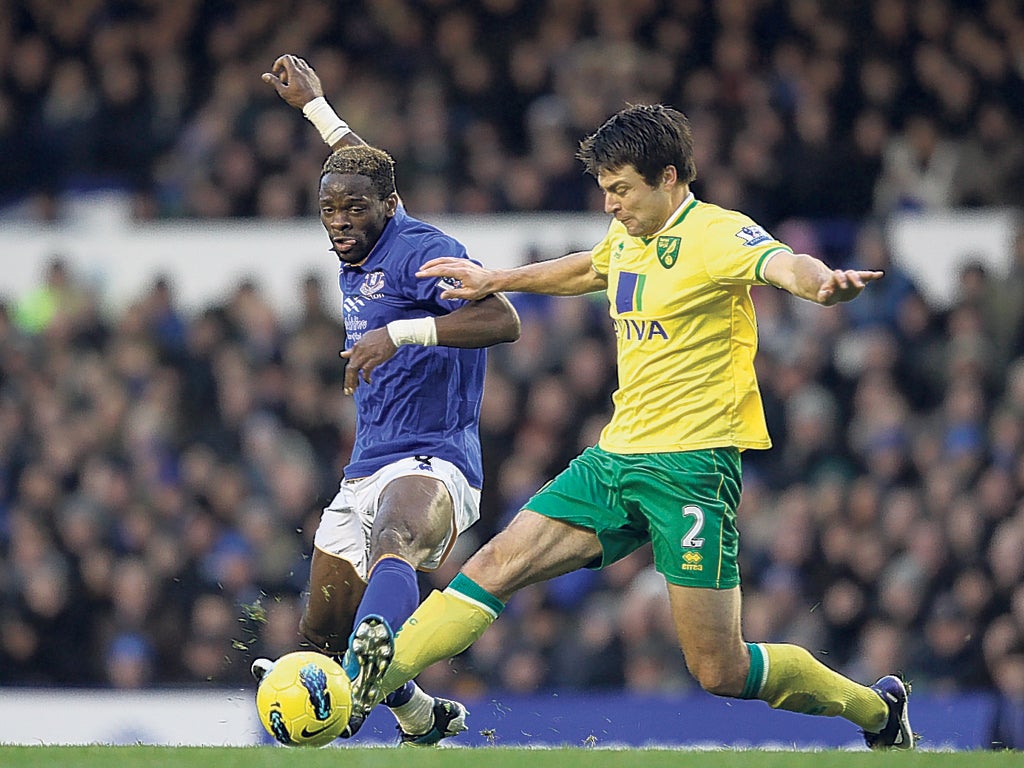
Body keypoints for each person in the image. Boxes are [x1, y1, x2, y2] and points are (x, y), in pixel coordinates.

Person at [349, 103, 916, 749]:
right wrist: (497, 277)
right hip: (615, 460)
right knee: (496, 562)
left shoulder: (718, 234)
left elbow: (783, 264)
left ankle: (876, 710)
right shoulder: (629, 238)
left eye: (621, 190)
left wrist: (822, 285)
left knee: (720, 669)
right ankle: (356, 687)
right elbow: (591, 267)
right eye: (605, 192)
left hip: (693, 472)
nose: (612, 205)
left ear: (668, 177)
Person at [251, 55, 520, 745]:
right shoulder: (362, 207)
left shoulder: (423, 252)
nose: (339, 221)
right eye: (328, 209)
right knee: (318, 640)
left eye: (353, 209)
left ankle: (378, 643)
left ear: (390, 208)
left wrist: (400, 333)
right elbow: (356, 161)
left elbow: (503, 321)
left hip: (434, 461)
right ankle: (417, 712)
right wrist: (316, 106)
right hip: (365, 465)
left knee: (396, 541)